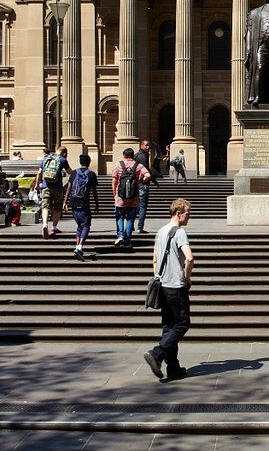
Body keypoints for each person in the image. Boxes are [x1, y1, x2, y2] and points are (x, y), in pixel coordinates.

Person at [144, 198, 193, 382]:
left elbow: (155, 259)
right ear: (179, 213)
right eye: (188, 213)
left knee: (169, 327)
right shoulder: (179, 232)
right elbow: (189, 258)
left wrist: (159, 277)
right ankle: (156, 354)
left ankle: (173, 368)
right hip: (176, 285)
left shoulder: (161, 231)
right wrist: (187, 277)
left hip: (163, 285)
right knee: (182, 324)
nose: (189, 217)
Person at [112, 147, 151, 248]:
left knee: (119, 217)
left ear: (124, 155)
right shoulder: (138, 165)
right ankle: (127, 240)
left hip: (120, 197)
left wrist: (114, 192)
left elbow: (114, 179)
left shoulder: (119, 165)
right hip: (134, 197)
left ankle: (120, 236)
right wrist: (140, 181)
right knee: (130, 219)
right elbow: (148, 175)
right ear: (133, 155)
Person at [63, 153, 100, 259]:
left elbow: (69, 188)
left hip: (73, 202)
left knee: (80, 226)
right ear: (89, 163)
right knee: (86, 226)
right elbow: (94, 191)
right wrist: (97, 204)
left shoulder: (74, 173)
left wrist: (65, 202)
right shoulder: (91, 174)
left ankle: (77, 247)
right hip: (84, 203)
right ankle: (79, 247)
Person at [32, 145, 72, 239]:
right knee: (57, 208)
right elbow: (70, 172)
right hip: (58, 188)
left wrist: (37, 184)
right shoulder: (62, 160)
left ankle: (45, 224)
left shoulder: (46, 158)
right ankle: (53, 227)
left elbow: (39, 173)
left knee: (45, 207)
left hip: (46, 186)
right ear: (65, 153)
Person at [136, 139, 158, 234]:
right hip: (143, 184)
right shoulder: (143, 156)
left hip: (136, 184)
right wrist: (154, 180)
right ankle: (140, 227)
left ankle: (131, 225)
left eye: (149, 145)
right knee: (142, 207)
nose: (148, 147)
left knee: (135, 206)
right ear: (141, 146)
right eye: (146, 145)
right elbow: (146, 170)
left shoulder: (136, 155)